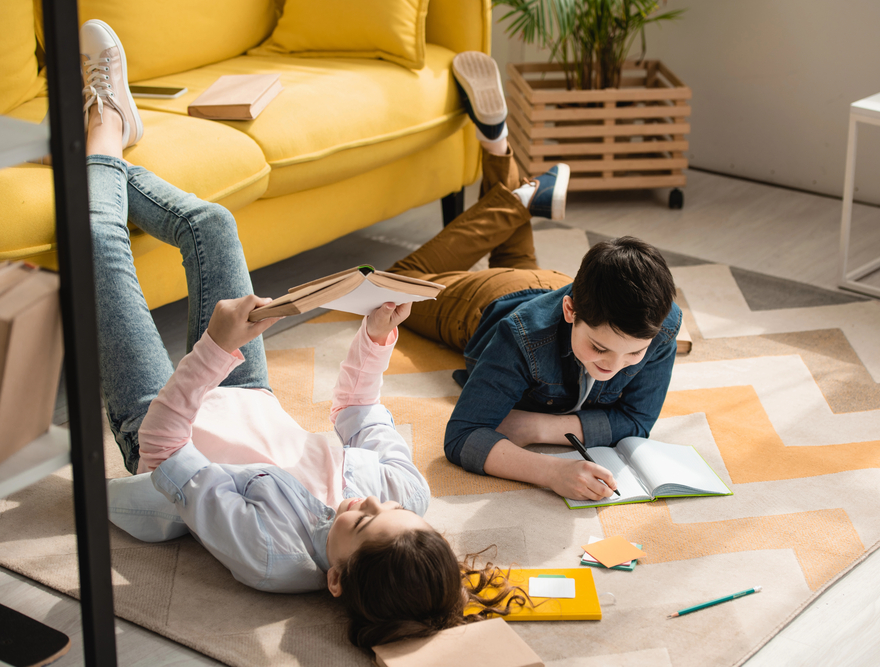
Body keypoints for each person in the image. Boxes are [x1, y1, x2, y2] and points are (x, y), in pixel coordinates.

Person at [78, 20, 527, 648]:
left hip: (157, 417)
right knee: (213, 225)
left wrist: (213, 348)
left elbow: (164, 452)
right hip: (249, 391)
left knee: (98, 245)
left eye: (361, 523)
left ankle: (101, 128)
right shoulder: (406, 497)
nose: (367, 503)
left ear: (336, 580)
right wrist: (375, 339)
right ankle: (112, 146)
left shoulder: (269, 553)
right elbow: (358, 413)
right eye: (388, 510)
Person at [386, 52, 682, 503]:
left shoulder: (658, 324)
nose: (612, 367)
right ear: (571, 310)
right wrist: (550, 473)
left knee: (514, 252)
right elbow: (462, 436)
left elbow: (638, 420)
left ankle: (501, 152)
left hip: (552, 282)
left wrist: (537, 426)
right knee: (398, 285)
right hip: (489, 302)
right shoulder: (521, 336)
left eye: (633, 353)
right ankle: (520, 195)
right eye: (600, 347)